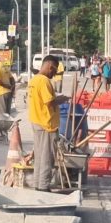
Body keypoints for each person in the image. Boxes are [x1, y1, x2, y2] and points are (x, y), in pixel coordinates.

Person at [28, 55, 68, 191]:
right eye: (54, 71)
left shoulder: (34, 80)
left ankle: (38, 185)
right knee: (47, 158)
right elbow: (49, 101)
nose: (54, 74)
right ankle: (43, 187)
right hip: (46, 124)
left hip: (37, 121)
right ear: (50, 67)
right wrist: (61, 99)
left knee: (39, 157)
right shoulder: (44, 81)